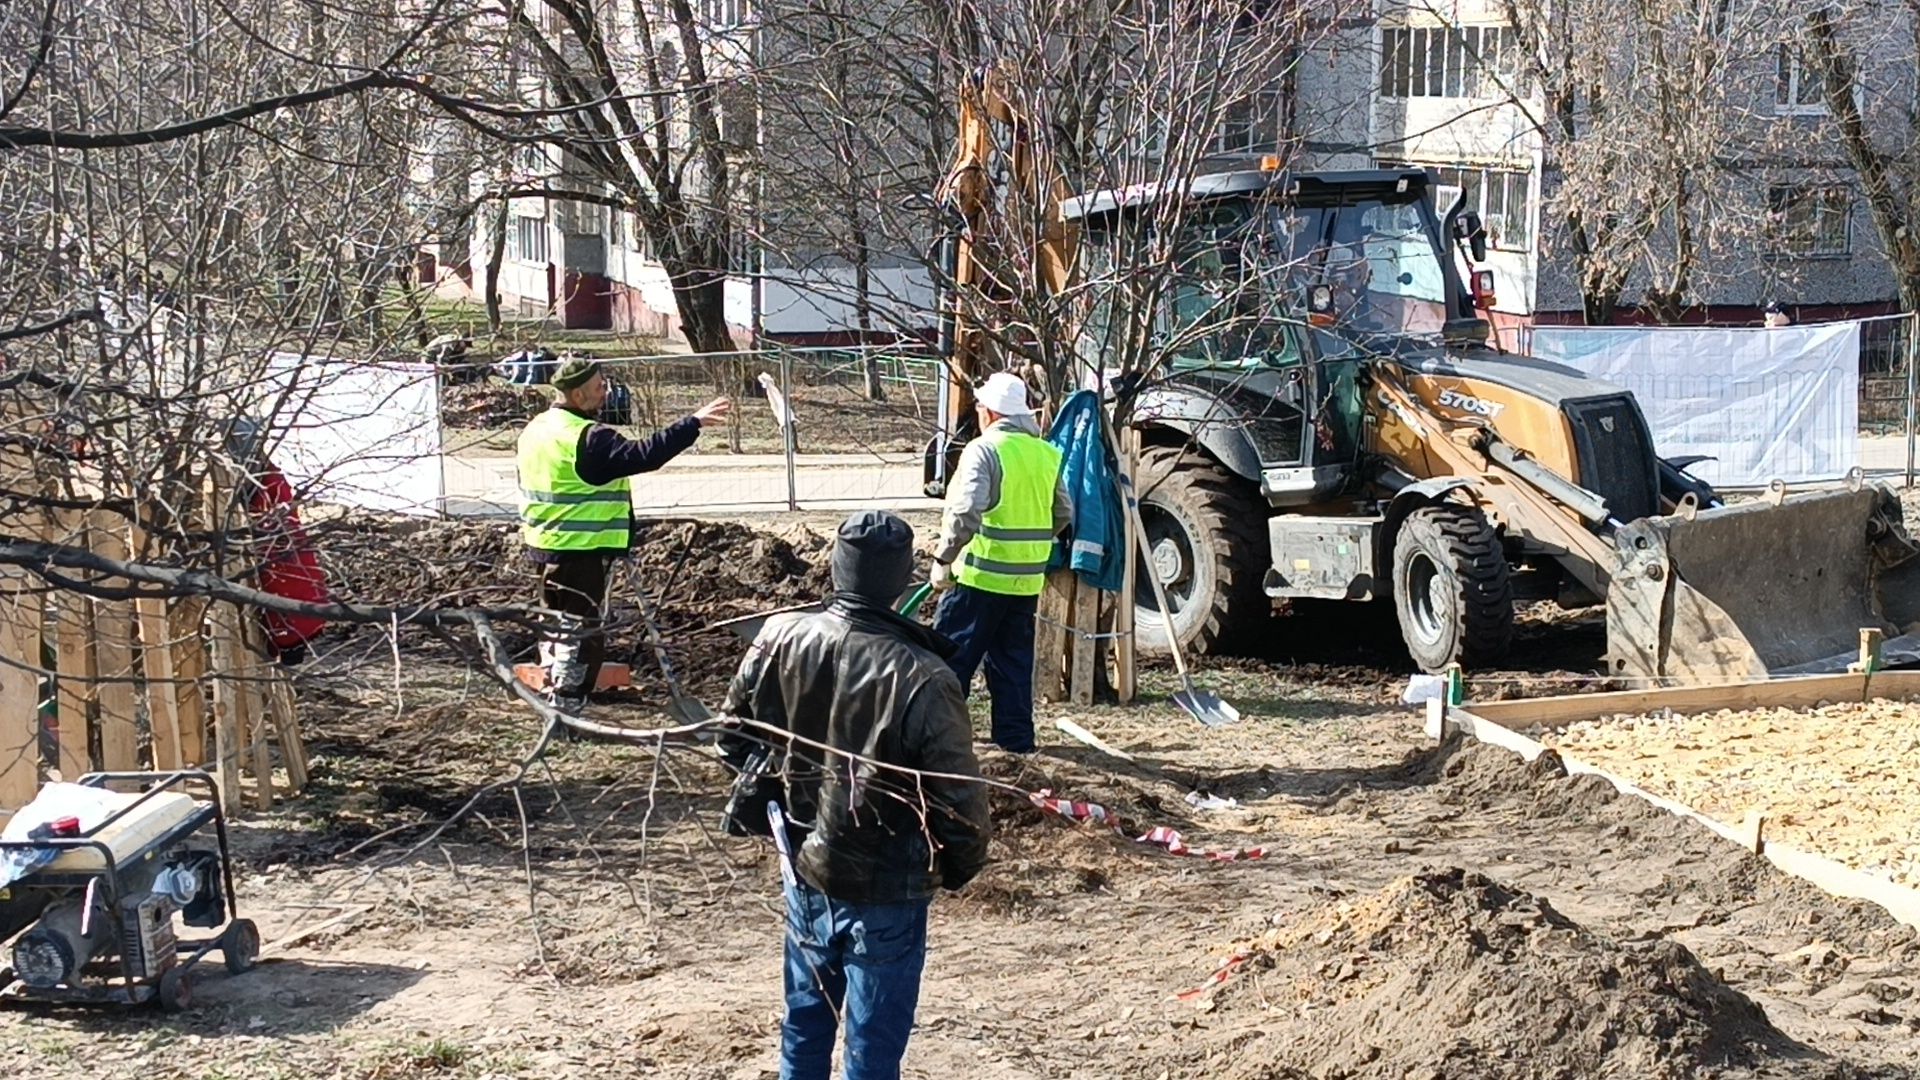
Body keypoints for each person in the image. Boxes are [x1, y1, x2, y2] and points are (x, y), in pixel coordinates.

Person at [718, 510, 990, 1080]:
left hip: (805, 866)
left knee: (804, 1027)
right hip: (887, 884)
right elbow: (959, 802)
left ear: (837, 571)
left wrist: (784, 805)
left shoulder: (778, 638)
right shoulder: (924, 677)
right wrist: (957, 867)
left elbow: (731, 740)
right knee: (871, 1049)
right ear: (901, 582)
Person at [516, 358, 731, 714]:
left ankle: (554, 692)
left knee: (555, 625)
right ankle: (566, 707)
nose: (606, 393)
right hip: (580, 550)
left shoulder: (537, 428)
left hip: (543, 545)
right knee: (580, 634)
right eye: (599, 387)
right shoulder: (588, 437)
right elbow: (644, 455)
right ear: (578, 394)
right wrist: (692, 424)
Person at [928, 371, 1071, 754]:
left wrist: (944, 558)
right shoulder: (1045, 454)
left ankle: (937, 740)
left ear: (989, 412)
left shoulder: (984, 450)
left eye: (979, 406)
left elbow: (966, 512)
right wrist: (1029, 545)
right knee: (1013, 665)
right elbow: (1063, 512)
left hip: (979, 578)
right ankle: (1016, 744)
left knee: (950, 663)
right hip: (1025, 582)